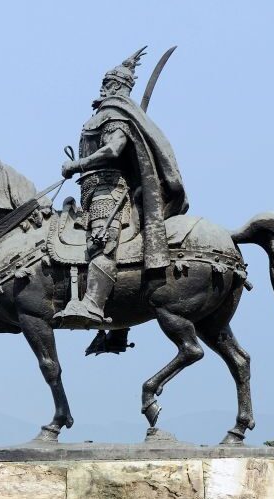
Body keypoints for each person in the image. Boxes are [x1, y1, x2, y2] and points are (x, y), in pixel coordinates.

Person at [54, 47, 188, 325]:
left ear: (115, 86)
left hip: (109, 191)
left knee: (101, 245)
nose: (102, 88)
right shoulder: (109, 113)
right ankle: (117, 329)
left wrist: (78, 165)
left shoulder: (113, 115)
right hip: (93, 191)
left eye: (106, 83)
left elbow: (114, 150)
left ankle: (92, 304)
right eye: (103, 83)